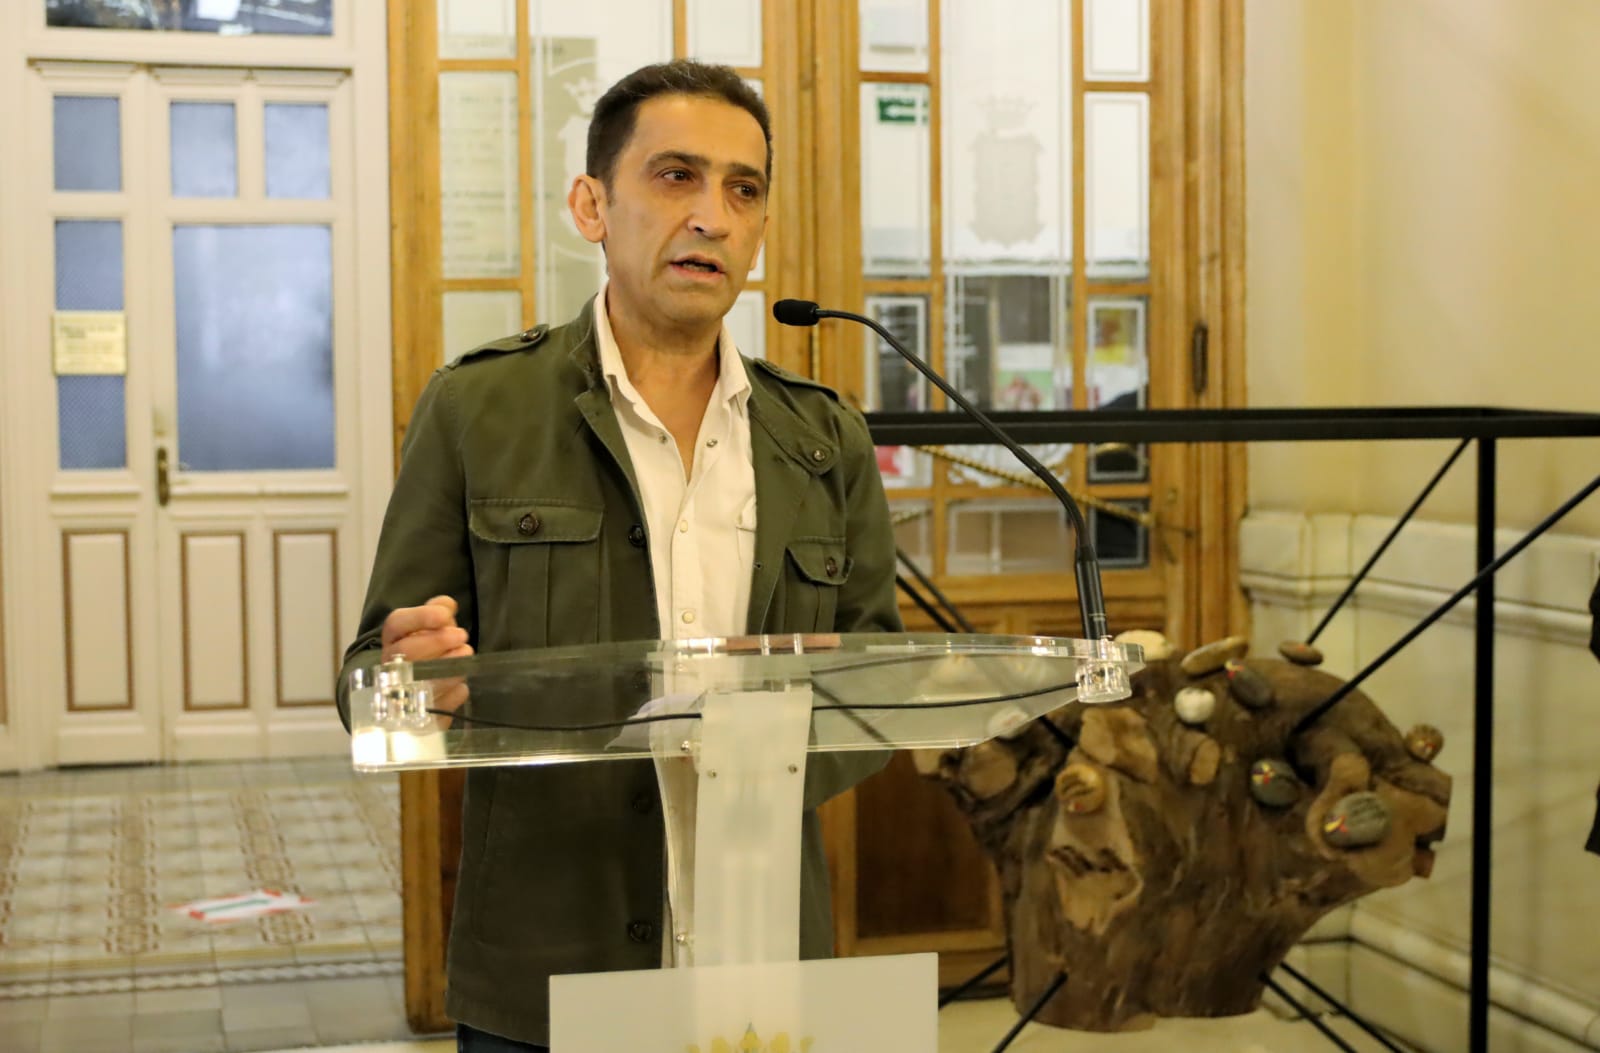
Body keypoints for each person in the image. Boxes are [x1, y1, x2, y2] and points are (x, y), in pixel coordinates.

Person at [336, 60, 901, 1051]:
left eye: (743, 190)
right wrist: (409, 682)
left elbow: (880, 680)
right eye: (675, 176)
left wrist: (750, 764)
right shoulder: (478, 409)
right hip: (548, 965)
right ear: (591, 206)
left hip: (760, 959)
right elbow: (366, 683)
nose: (712, 217)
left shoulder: (822, 438)